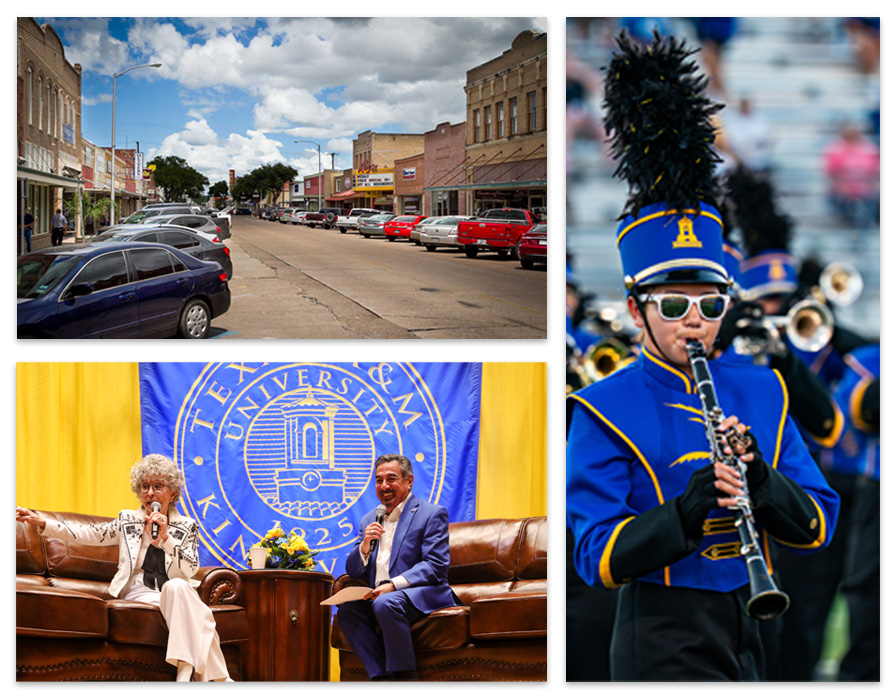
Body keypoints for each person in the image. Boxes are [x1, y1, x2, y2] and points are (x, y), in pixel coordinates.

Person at [566, 30, 840, 681]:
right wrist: (684, 510)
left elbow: (818, 521)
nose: (694, 319)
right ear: (637, 310)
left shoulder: (761, 387)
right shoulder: (603, 404)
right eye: (673, 305)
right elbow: (594, 554)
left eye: (710, 304)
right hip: (658, 629)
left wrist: (761, 483)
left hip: (752, 620)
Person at [15, 454, 232, 682]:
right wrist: (44, 523)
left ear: (173, 493)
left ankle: (186, 669)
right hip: (141, 593)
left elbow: (190, 569)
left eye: (158, 486)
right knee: (200, 613)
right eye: (145, 486)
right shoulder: (128, 520)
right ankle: (215, 678)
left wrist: (166, 539)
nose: (150, 493)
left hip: (177, 593)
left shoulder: (187, 526)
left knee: (177, 586)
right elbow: (89, 533)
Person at [336, 454, 459, 680]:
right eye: (379, 480)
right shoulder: (369, 519)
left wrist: (393, 585)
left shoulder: (431, 514)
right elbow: (354, 571)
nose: (384, 486)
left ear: (409, 481)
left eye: (391, 479)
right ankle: (383, 680)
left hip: (420, 593)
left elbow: (436, 565)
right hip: (379, 596)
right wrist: (364, 547)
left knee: (386, 602)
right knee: (346, 612)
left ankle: (407, 678)